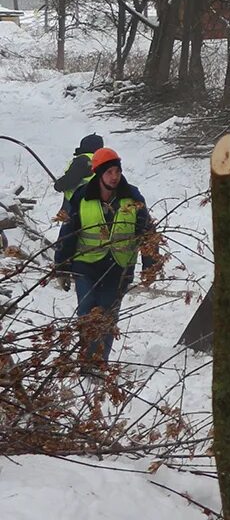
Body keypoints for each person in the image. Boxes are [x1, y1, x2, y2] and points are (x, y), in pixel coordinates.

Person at [52, 147, 161, 365]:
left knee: (106, 316)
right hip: (86, 266)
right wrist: (61, 266)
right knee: (87, 312)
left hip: (118, 268)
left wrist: (150, 266)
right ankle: (86, 363)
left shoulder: (132, 198)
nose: (114, 177)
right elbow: (68, 233)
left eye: (117, 172)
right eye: (109, 172)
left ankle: (98, 364)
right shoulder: (82, 197)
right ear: (99, 174)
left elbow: (148, 233)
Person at [53, 133, 105, 199]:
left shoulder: (83, 160)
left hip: (79, 201)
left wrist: (59, 184)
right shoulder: (103, 161)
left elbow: (71, 179)